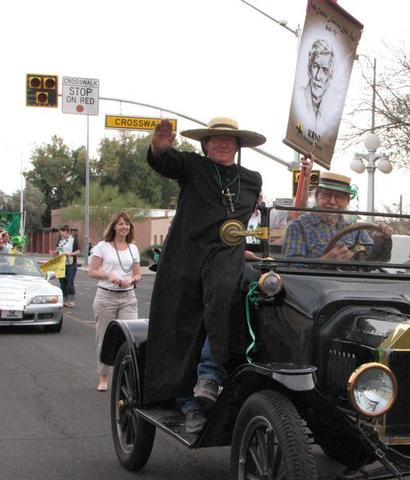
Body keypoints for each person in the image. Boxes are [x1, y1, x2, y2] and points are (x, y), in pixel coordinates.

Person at [144, 117, 264, 434]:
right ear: (205, 145)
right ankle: (189, 403)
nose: (223, 144)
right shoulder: (193, 167)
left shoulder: (252, 179)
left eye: (229, 140)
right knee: (183, 331)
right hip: (187, 256)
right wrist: (159, 147)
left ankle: (211, 375)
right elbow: (165, 161)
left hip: (225, 255)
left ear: (238, 146)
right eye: (215, 140)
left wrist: (245, 249)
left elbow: (247, 222)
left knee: (230, 293)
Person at [281, 171, 392, 261]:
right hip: (316, 286)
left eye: (339, 197)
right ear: (317, 196)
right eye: (327, 195)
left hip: (354, 285)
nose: (332, 202)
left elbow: (374, 262)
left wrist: (379, 241)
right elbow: (291, 266)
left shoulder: (355, 229)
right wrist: (324, 261)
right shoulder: (299, 226)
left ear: (347, 201)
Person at [88, 211, 141, 391]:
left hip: (128, 297)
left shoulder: (133, 248)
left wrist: (131, 280)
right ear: (114, 227)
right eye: (120, 224)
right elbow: (92, 271)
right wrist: (108, 275)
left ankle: (129, 378)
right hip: (106, 297)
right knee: (104, 338)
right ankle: (104, 377)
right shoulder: (103, 246)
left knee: (132, 338)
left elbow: (138, 274)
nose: (124, 227)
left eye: (126, 224)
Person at [54, 225, 81, 308]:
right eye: (60, 234)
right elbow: (58, 249)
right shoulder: (60, 240)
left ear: (66, 231)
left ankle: (72, 301)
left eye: (62, 233)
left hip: (71, 264)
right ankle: (65, 300)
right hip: (61, 264)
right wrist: (55, 252)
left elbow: (78, 251)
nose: (61, 235)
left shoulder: (73, 239)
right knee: (62, 283)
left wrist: (70, 254)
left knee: (70, 282)